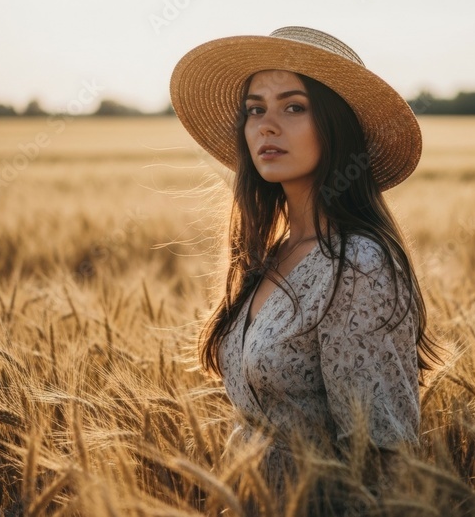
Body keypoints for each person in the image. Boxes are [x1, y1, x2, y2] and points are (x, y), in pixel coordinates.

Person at [170, 26, 440, 513]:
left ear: (336, 126)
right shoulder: (267, 256)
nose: (266, 126)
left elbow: (383, 459)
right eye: (255, 109)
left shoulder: (358, 265)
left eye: (293, 107)